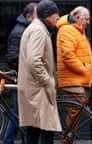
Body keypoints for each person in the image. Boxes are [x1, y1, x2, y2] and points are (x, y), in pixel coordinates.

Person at [17, 0, 62, 143]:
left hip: (33, 89)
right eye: (56, 14)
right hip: (38, 89)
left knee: (34, 129)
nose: (58, 17)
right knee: (47, 128)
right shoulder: (39, 31)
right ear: (48, 16)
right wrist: (47, 81)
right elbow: (34, 60)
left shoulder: (35, 28)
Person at [56, 6, 92, 144]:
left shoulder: (78, 30)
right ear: (77, 17)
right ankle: (66, 140)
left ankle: (68, 139)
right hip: (73, 79)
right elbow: (68, 56)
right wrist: (84, 69)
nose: (88, 22)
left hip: (79, 79)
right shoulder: (67, 30)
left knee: (76, 111)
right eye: (86, 19)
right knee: (75, 109)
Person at [4, 2, 37, 144]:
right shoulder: (20, 31)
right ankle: (7, 141)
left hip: (24, 77)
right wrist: (27, 69)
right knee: (19, 111)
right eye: (37, 15)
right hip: (21, 78)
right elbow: (12, 58)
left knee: (20, 111)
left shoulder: (25, 29)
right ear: (28, 16)